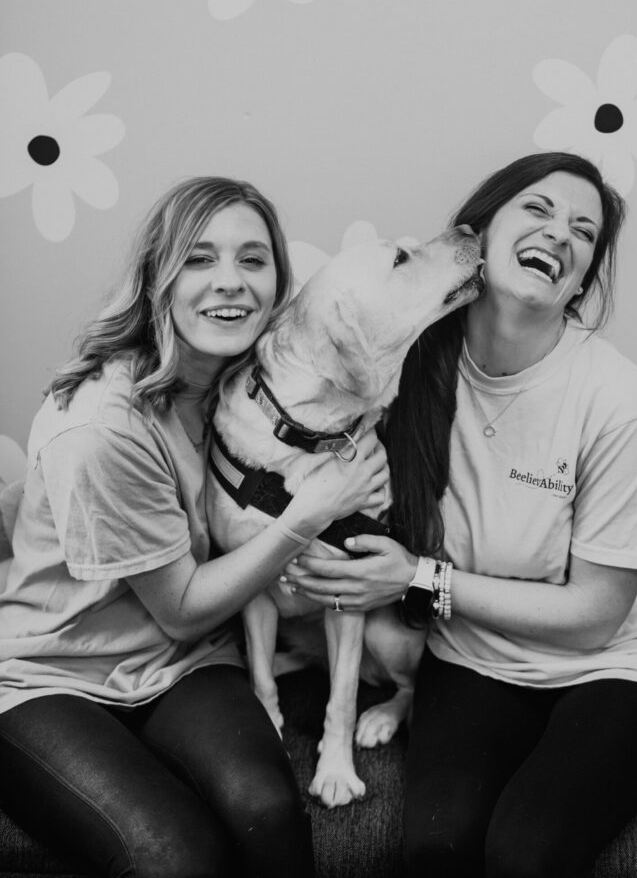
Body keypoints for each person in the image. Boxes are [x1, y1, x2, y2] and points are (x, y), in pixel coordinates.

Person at [283, 152, 637, 878]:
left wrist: (417, 579)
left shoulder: (620, 401)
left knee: (524, 854)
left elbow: (597, 614)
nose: (560, 234)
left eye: (583, 231)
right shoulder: (401, 371)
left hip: (619, 666)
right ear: (479, 235)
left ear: (580, 277)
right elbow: (295, 425)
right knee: (436, 851)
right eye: (537, 209)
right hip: (473, 657)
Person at [0, 175, 388, 878]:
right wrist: (313, 513)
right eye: (200, 259)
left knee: (269, 813)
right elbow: (180, 609)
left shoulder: (238, 388)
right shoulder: (102, 425)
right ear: (158, 278)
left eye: (253, 260)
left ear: (279, 286)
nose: (230, 283)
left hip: (183, 664)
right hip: (51, 675)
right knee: (176, 857)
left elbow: (345, 394)